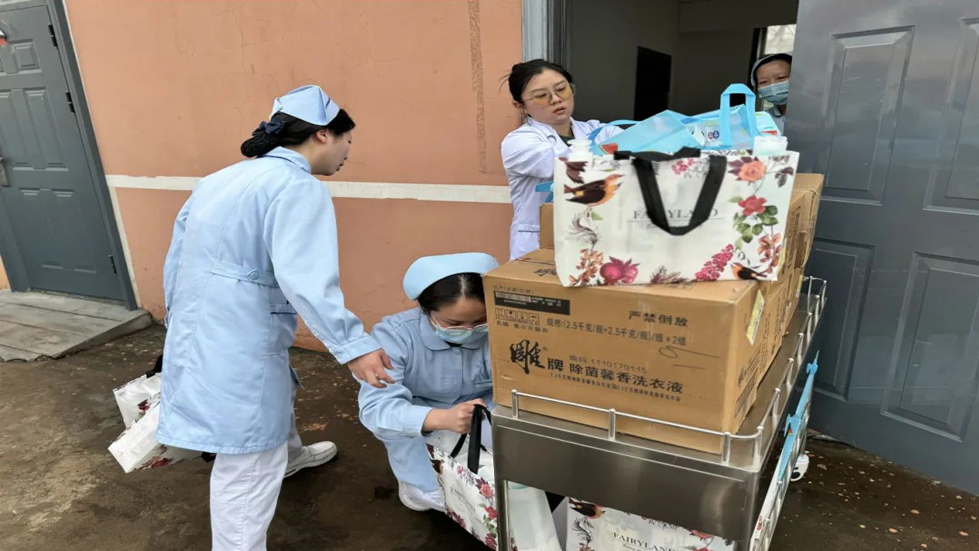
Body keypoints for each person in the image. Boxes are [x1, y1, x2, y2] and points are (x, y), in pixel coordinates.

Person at [158, 85, 395, 551]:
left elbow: (176, 258)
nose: (349, 152)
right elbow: (305, 279)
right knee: (248, 452)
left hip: (202, 318)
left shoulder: (219, 178)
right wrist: (353, 347)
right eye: (349, 141)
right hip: (240, 327)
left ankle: (290, 455)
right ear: (325, 135)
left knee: (271, 392)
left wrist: (177, 320)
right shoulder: (297, 186)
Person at [358, 252, 499, 512]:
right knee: (439, 492)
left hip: (483, 410)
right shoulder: (395, 337)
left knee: (506, 482)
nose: (469, 331)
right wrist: (440, 418)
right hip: (419, 414)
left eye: (480, 321)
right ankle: (415, 485)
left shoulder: (505, 328)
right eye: (454, 323)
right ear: (426, 310)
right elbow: (376, 410)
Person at [501, 59, 620, 260]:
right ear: (520, 105)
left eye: (561, 89)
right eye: (541, 96)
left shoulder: (600, 131)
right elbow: (568, 168)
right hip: (542, 243)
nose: (556, 99)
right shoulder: (518, 142)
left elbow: (639, 152)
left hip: (598, 240)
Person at [751, 52, 792, 133]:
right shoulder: (760, 121)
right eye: (763, 82)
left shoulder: (817, 117)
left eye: (781, 77)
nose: (773, 86)